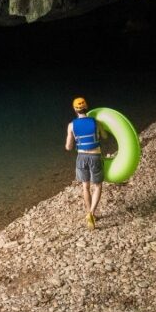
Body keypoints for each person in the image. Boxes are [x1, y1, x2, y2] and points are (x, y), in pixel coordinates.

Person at [65, 96, 102, 229]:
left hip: (81, 157)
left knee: (85, 186)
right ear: (86, 107)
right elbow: (104, 136)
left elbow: (68, 147)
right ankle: (92, 213)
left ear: (75, 109)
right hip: (95, 156)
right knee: (97, 186)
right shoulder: (95, 121)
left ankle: (89, 213)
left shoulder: (71, 125)